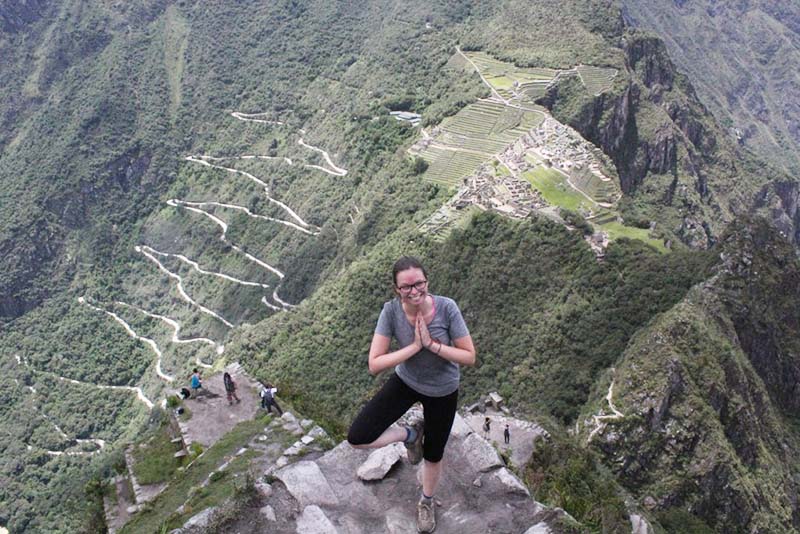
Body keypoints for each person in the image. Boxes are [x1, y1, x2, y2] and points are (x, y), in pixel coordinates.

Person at [347, 256, 476, 534]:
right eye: (406, 287)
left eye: (419, 283)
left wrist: (433, 345)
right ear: (397, 290)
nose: (414, 290)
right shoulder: (391, 312)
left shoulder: (447, 308)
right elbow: (375, 363)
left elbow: (469, 356)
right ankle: (410, 435)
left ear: (427, 281)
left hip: (443, 389)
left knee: (433, 454)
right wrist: (416, 346)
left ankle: (426, 501)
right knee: (358, 437)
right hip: (406, 381)